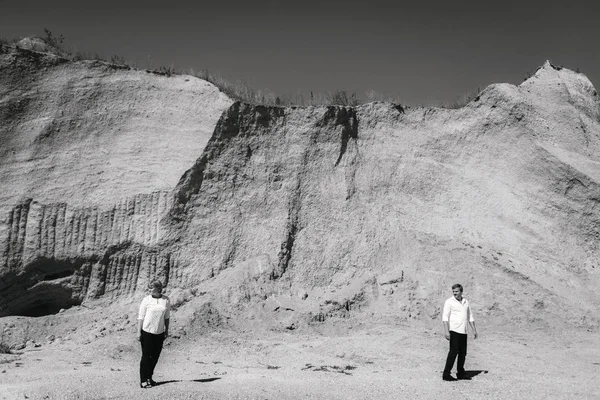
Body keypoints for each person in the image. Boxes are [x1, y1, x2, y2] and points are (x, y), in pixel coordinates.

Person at [138, 280, 170, 388]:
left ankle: (149, 377)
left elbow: (167, 317)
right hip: (147, 331)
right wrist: (138, 332)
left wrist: (166, 330)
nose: (149, 290)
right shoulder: (146, 300)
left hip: (159, 332)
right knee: (146, 356)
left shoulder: (166, 300)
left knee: (155, 356)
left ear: (159, 289)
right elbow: (141, 317)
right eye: (149, 288)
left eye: (151, 288)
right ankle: (143, 380)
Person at [442, 283, 477, 381]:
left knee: (463, 353)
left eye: (456, 291)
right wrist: (446, 331)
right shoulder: (449, 302)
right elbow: (445, 317)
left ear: (461, 292)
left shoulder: (466, 301)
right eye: (453, 291)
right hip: (454, 330)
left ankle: (460, 373)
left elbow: (470, 316)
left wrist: (474, 330)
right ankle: (446, 374)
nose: (454, 293)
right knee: (453, 352)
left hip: (464, 331)